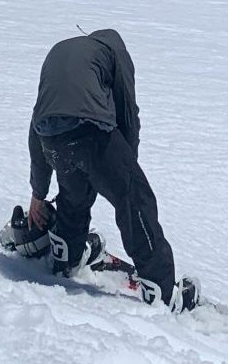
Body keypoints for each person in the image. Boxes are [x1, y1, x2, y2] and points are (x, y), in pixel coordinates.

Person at [25, 27, 199, 313]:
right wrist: (126, 171)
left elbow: (38, 126)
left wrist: (38, 192)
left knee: (74, 192)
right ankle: (162, 290)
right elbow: (127, 114)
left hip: (51, 138)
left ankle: (67, 253)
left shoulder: (62, 52)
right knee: (135, 200)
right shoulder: (115, 54)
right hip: (90, 132)